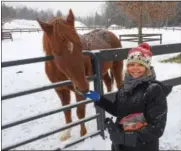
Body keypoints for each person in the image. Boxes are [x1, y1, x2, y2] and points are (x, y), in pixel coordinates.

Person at [82, 42, 173, 151]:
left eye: (140, 65)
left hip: (143, 147)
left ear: (147, 67)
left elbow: (157, 127)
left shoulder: (153, 90)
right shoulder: (124, 88)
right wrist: (99, 99)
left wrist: (125, 138)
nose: (135, 68)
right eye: (131, 64)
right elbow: (118, 110)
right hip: (119, 145)